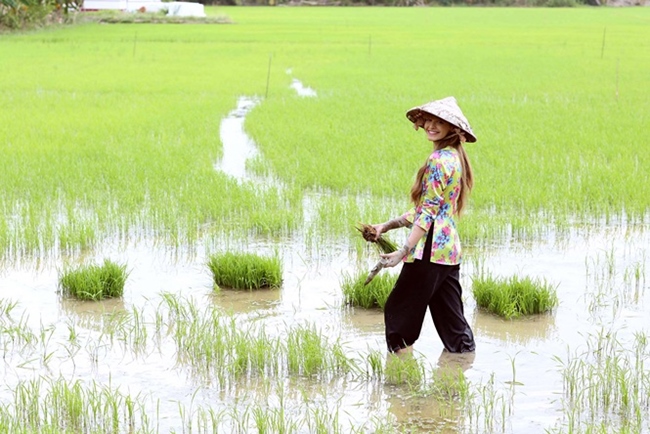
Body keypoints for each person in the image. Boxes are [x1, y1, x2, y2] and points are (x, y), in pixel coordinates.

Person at [371, 96, 476, 355]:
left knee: (398, 314)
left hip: (429, 250)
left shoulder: (438, 161)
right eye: (429, 119)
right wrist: (386, 226)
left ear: (453, 128)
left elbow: (427, 213)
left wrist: (401, 252)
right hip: (449, 250)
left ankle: (399, 380)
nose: (431, 125)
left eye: (440, 121)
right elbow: (431, 209)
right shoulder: (454, 158)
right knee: (453, 323)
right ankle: (461, 368)